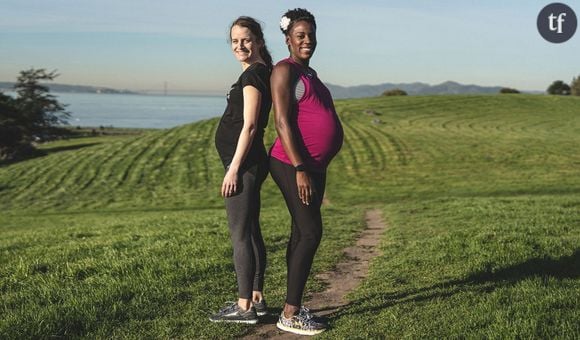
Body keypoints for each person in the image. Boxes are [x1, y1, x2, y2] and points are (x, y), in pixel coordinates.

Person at [269, 8, 343, 336]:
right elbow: (282, 121)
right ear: (288, 40)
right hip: (291, 162)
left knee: (301, 233)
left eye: (310, 35)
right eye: (300, 35)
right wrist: (300, 167)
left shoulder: (309, 74)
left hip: (313, 166)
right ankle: (290, 314)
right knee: (311, 232)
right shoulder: (285, 71)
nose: (307, 40)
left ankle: (292, 304)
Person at [210, 16, 273, 324]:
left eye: (246, 39)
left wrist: (233, 169)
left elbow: (249, 126)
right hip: (250, 162)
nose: (240, 45)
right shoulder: (258, 73)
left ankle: (244, 306)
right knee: (250, 230)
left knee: (239, 235)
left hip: (244, 164)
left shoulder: (253, 77)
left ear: (259, 40)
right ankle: (257, 298)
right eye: (235, 41)